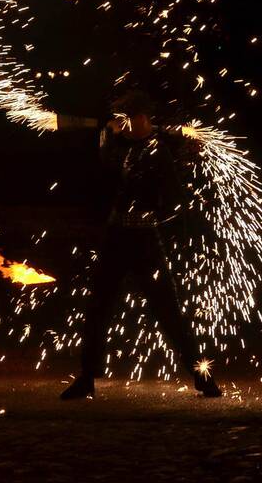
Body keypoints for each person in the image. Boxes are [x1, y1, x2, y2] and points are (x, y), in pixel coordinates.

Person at [61, 90, 222, 399]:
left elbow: (176, 199)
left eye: (125, 120)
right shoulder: (120, 145)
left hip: (145, 240)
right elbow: (106, 167)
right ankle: (87, 378)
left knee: (169, 312)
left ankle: (203, 376)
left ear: (141, 118)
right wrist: (108, 137)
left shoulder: (157, 151)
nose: (122, 125)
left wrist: (159, 215)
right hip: (117, 237)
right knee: (98, 309)